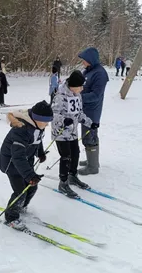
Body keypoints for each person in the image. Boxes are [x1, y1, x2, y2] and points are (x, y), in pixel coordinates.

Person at [0, 101, 53, 230]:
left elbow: (37, 140)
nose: (47, 124)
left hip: (25, 161)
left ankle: (20, 207)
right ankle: (11, 218)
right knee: (20, 192)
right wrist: (30, 175)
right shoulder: (21, 130)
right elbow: (17, 156)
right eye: (46, 121)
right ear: (37, 119)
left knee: (32, 188)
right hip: (12, 164)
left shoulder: (38, 126)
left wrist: (40, 153)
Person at [51, 70, 98, 198]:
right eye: (80, 86)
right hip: (60, 132)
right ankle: (63, 182)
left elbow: (79, 113)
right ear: (73, 85)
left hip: (72, 132)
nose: (82, 89)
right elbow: (53, 114)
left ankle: (72, 176)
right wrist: (63, 120)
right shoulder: (60, 95)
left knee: (75, 154)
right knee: (66, 156)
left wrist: (90, 123)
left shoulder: (77, 95)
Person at [77, 47, 109, 175]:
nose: (82, 62)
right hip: (85, 109)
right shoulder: (88, 71)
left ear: (91, 60)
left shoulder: (100, 74)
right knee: (88, 135)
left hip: (92, 111)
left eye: (84, 60)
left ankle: (93, 167)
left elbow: (96, 95)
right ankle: (92, 160)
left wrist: (79, 97)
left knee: (89, 136)